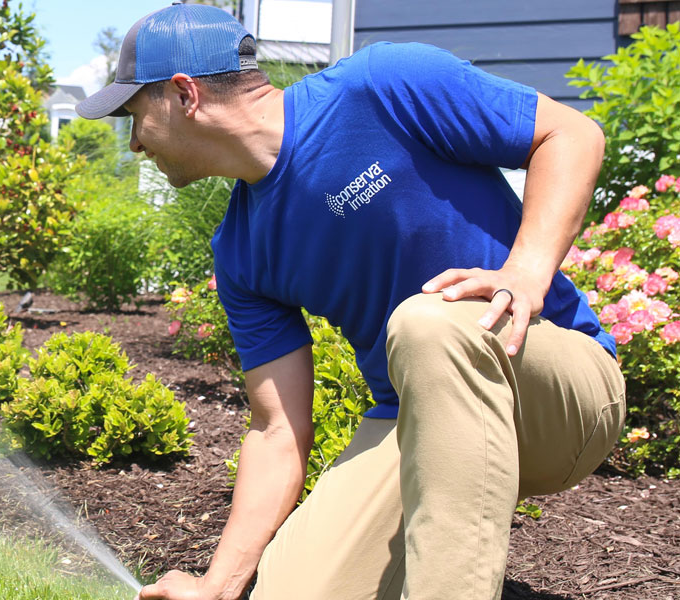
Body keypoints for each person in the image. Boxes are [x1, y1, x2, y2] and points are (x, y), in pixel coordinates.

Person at [75, 3, 624, 599]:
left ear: (185, 95)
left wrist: (524, 271)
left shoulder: (383, 85)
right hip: (417, 423)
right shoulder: (240, 251)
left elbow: (570, 133)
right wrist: (218, 582)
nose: (133, 143)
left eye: (135, 115)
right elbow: (277, 429)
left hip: (558, 390)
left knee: (427, 324)